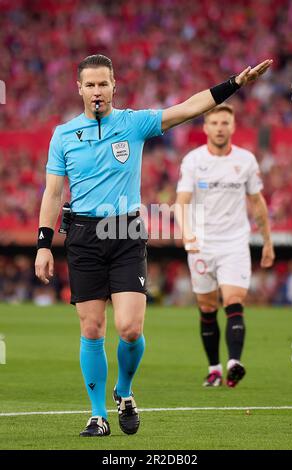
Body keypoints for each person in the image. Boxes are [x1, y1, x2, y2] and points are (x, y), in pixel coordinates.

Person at [35, 54, 272, 437]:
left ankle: (124, 391)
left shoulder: (134, 123)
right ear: (79, 88)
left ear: (115, 86)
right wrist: (44, 244)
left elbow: (189, 107)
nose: (97, 91)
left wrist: (235, 83)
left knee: (129, 329)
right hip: (83, 236)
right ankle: (97, 415)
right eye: (90, 85)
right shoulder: (63, 134)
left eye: (103, 84)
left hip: (126, 232)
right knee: (92, 328)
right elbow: (52, 193)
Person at [175, 103, 275, 388]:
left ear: (232, 127)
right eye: (215, 123)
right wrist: (187, 234)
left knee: (233, 301)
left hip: (234, 243)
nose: (220, 128)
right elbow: (181, 203)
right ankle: (214, 368)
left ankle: (234, 362)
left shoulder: (246, 161)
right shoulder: (193, 161)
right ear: (206, 128)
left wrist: (267, 241)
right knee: (207, 308)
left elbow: (257, 203)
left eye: (225, 123)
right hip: (202, 245)